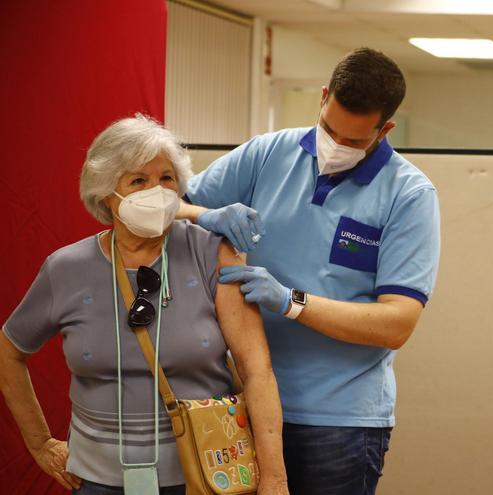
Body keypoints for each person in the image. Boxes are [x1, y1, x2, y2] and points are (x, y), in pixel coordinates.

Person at [177, 47, 441, 494]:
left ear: (386, 129)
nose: (335, 146)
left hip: (338, 419)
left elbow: (397, 323)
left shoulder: (409, 195)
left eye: (355, 141)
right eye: (328, 128)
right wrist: (204, 215)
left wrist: (291, 301)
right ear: (323, 97)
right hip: (245, 402)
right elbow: (168, 205)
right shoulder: (266, 154)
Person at [0, 115, 288, 494]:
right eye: (139, 180)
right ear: (106, 194)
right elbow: (9, 352)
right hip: (97, 481)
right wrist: (40, 444)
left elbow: (257, 369)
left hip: (204, 477)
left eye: (167, 178)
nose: (158, 191)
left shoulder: (213, 253)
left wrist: (274, 479)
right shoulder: (66, 269)